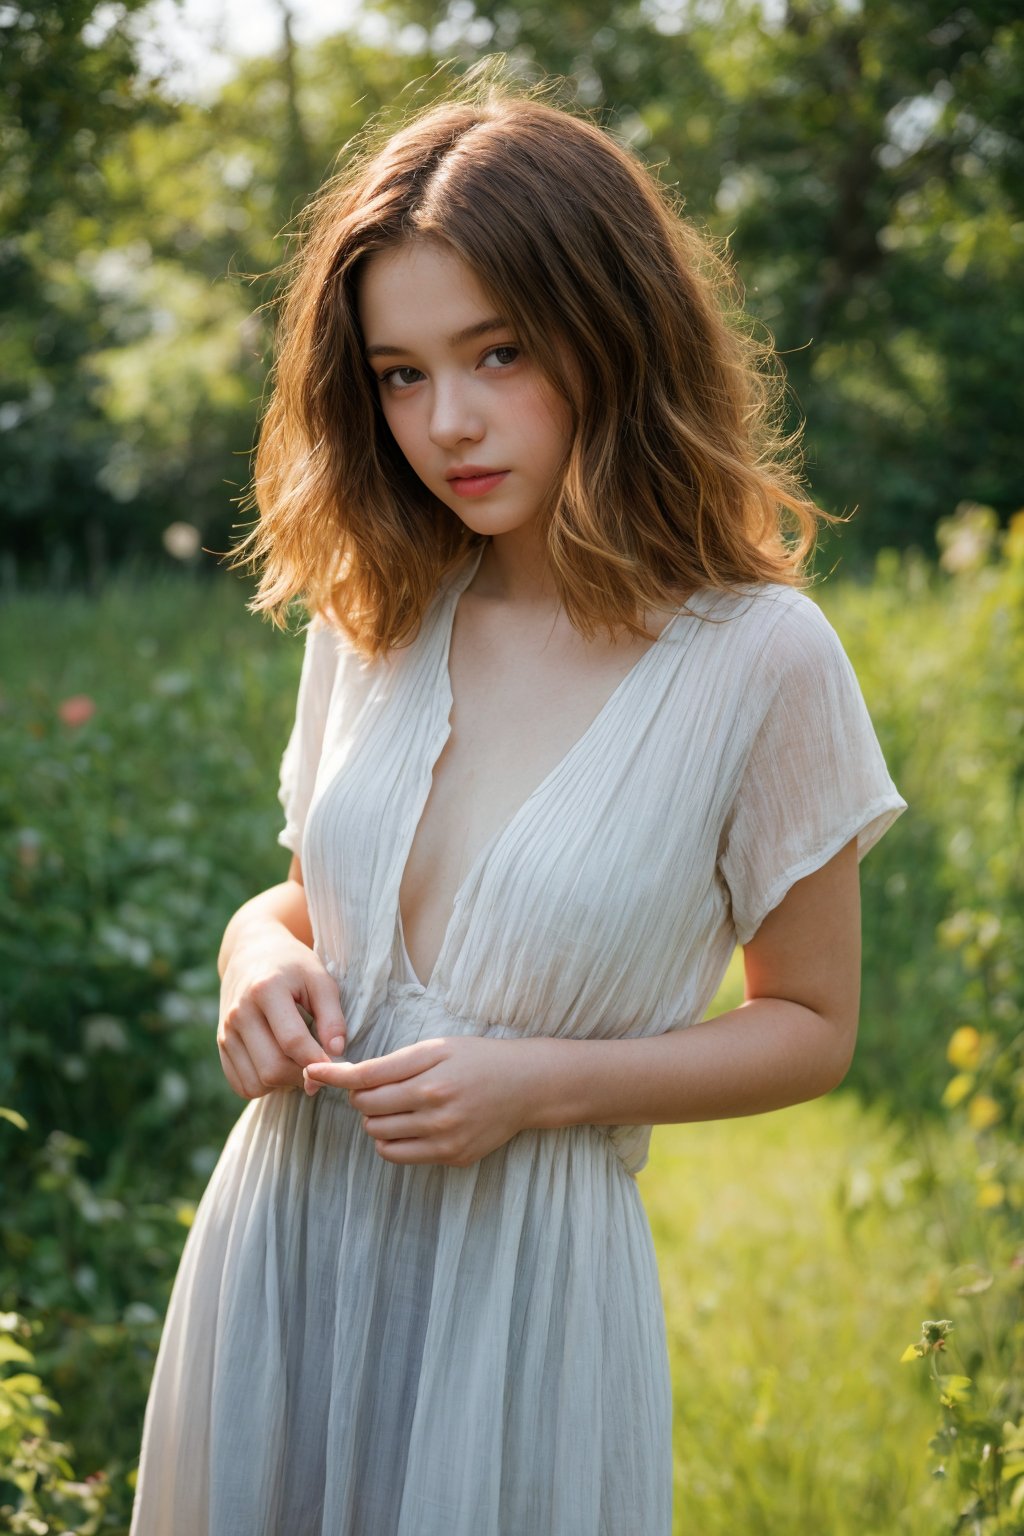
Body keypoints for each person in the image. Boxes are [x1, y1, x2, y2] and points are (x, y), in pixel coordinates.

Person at [129, 61, 908, 1536]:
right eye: (401, 373)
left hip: (527, 1289)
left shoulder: (758, 657)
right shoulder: (376, 608)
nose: (448, 424)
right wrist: (257, 955)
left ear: (611, 335)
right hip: (284, 1240)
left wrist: (537, 1082)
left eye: (497, 353)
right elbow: (320, 901)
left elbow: (812, 1027)